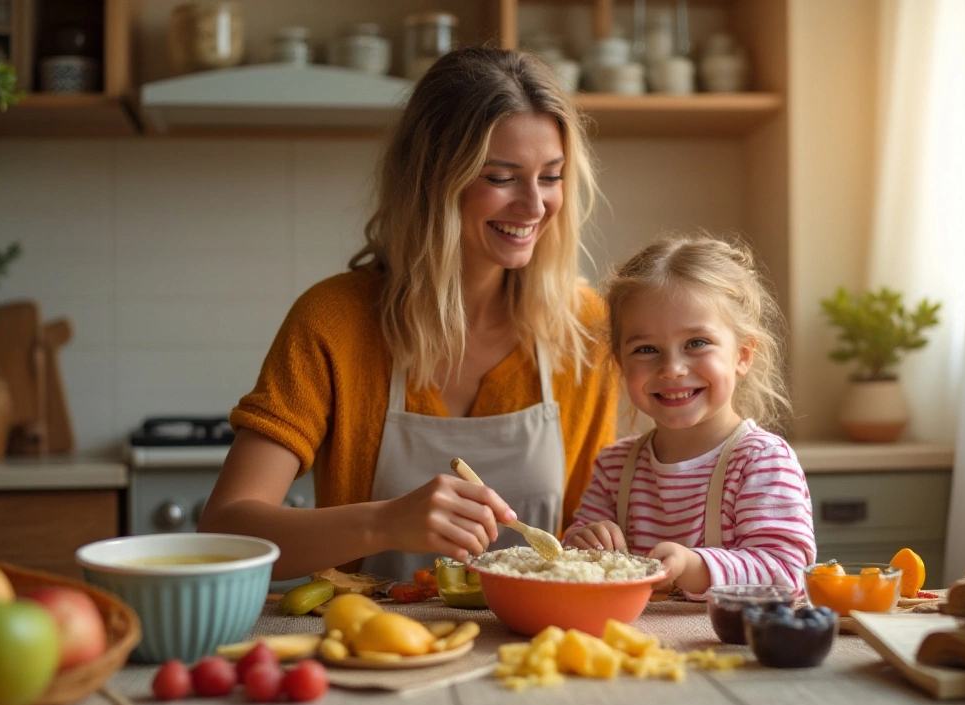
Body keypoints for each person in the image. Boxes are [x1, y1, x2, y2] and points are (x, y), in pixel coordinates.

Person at [197, 47, 619, 582]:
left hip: (529, 652)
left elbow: (592, 533)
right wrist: (383, 524)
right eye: (501, 176)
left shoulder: (585, 330)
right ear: (432, 180)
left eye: (551, 176)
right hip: (370, 646)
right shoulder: (333, 322)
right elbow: (222, 533)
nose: (534, 206)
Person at [563, 235, 816, 597]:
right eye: (646, 349)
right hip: (636, 649)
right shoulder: (614, 466)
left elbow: (788, 573)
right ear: (620, 363)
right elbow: (573, 558)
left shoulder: (762, 462)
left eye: (696, 343)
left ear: (743, 355)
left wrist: (692, 566)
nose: (672, 368)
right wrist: (581, 543)